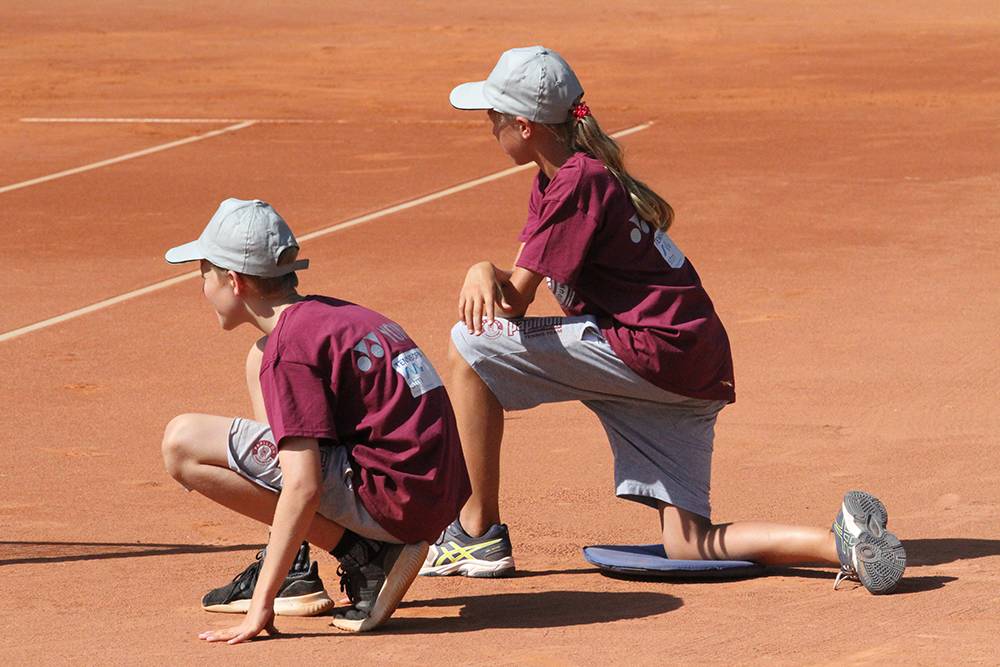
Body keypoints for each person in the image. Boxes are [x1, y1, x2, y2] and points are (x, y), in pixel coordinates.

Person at [418, 46, 906, 594]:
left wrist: (481, 269)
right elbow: (519, 295)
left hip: (654, 352)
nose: (489, 126)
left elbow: (510, 303)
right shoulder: (564, 179)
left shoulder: (577, 181)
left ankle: (476, 533)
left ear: (525, 126)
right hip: (688, 368)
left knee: (470, 345)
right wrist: (489, 273)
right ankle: (842, 542)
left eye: (495, 116)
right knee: (689, 544)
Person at [161, 198, 471, 642]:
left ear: (234, 280)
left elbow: (303, 484)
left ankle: (365, 553)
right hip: (430, 491)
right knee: (258, 358)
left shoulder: (290, 351)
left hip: (398, 504)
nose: (202, 287)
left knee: (182, 443)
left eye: (204, 274)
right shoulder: (332, 316)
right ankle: (297, 564)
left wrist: (261, 603)